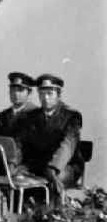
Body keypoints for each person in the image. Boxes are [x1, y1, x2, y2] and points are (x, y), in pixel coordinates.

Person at [16, 74, 84, 203]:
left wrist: (54, 168)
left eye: (50, 93)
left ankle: (54, 213)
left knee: (56, 179)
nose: (45, 98)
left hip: (65, 165)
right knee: (17, 177)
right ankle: (25, 213)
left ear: (58, 95)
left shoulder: (72, 117)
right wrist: (16, 163)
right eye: (42, 94)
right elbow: (20, 143)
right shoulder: (31, 117)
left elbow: (67, 145)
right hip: (39, 164)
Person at [0, 72, 37, 138]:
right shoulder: (1, 117)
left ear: (29, 93)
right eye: (13, 90)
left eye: (20, 90)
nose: (16, 94)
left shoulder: (37, 115)